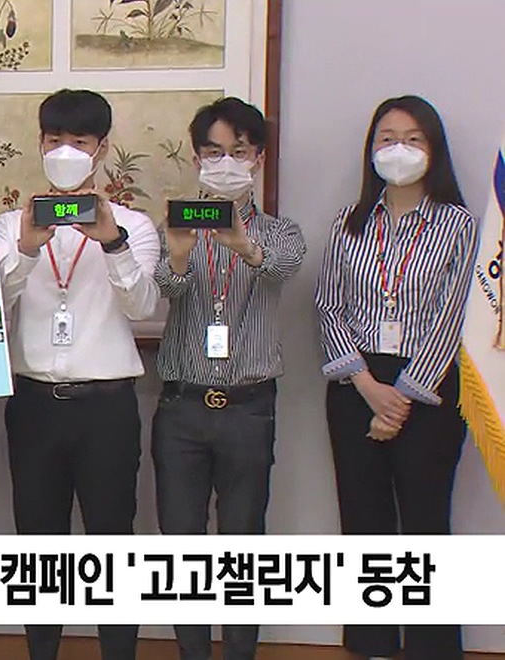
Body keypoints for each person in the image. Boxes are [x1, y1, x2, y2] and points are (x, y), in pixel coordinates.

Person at [0, 88, 159, 660]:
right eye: (55, 140)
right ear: (40, 144)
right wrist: (26, 250)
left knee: (113, 541)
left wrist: (111, 243)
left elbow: (144, 306)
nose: (65, 151)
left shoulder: (133, 225)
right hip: (35, 404)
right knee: (38, 545)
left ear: (102, 149)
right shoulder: (9, 224)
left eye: (80, 142)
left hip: (107, 407)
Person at [315, 95, 477, 660]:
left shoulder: (458, 224)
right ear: (371, 149)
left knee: (427, 522)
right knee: (363, 521)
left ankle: (433, 648)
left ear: (433, 150)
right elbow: (328, 306)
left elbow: (454, 314)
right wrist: (367, 387)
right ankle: (373, 643)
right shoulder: (349, 221)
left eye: (412, 139)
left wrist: (401, 399)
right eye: (387, 138)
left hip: (429, 386)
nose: (398, 149)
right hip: (355, 382)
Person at [152, 97, 306, 660]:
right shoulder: (175, 225)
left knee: (244, 544)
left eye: (238, 152)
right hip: (182, 407)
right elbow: (162, 293)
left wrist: (242, 243)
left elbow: (284, 267)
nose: (225, 163)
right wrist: (177, 257)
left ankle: (240, 651)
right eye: (213, 153)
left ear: (258, 159)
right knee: (181, 544)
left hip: (248, 407)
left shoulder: (280, 231)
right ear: (197, 160)